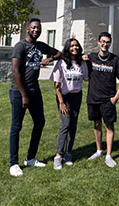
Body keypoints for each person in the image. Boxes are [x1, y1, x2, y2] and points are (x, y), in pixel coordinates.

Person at [9, 18, 61, 177]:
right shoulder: (20, 46)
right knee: (17, 126)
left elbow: (58, 53)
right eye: (33, 27)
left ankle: (30, 158)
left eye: (38, 28)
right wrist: (24, 95)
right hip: (19, 92)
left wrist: (49, 59)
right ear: (27, 29)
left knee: (40, 122)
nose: (36, 30)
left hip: (35, 90)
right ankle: (13, 164)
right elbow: (16, 71)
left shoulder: (40, 46)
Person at [84, 32, 119, 168]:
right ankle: (98, 150)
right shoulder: (91, 58)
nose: (105, 44)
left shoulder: (115, 60)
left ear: (110, 43)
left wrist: (116, 97)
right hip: (93, 98)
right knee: (96, 125)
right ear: (98, 42)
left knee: (109, 126)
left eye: (107, 42)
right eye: (102, 41)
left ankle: (108, 155)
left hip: (108, 100)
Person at [49, 38, 89, 170]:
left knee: (73, 125)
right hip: (64, 96)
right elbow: (56, 86)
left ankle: (68, 153)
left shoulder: (81, 63)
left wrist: (87, 62)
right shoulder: (61, 63)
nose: (75, 48)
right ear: (67, 48)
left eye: (77, 45)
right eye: (72, 46)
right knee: (65, 124)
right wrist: (61, 102)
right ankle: (58, 156)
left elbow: (86, 78)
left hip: (76, 96)